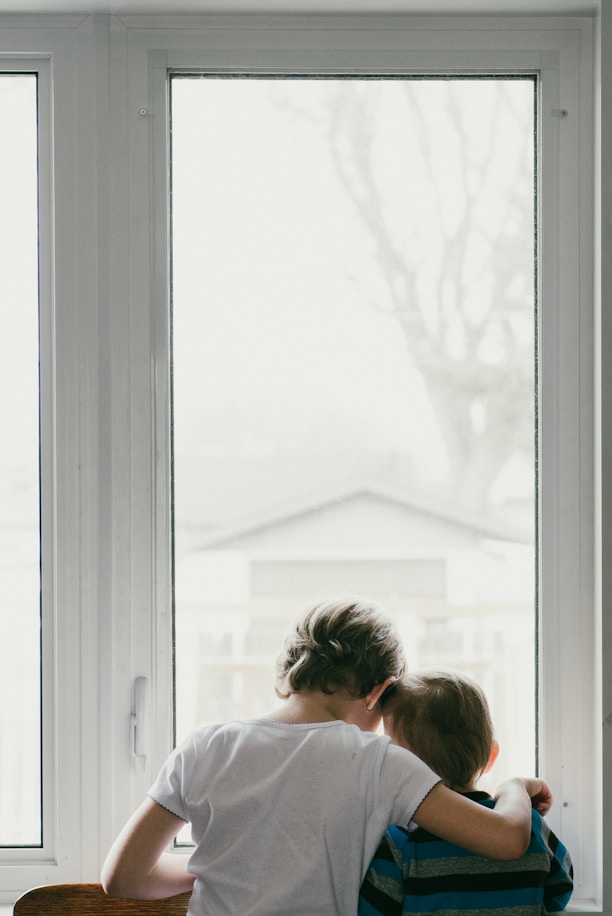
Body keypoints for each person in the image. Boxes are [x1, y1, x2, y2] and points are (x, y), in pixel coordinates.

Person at [102, 596, 553, 916]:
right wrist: (515, 786)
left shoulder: (205, 745)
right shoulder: (379, 762)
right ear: (379, 691)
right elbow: (507, 841)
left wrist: (219, 864)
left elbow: (123, 877)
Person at [359, 669, 573, 916]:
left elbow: (372, 910)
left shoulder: (400, 840)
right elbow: (560, 893)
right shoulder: (528, 825)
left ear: (402, 766)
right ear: (491, 755)